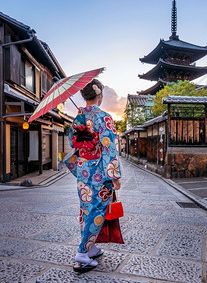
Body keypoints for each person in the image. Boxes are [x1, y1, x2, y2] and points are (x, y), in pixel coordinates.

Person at [65, 79, 121, 273]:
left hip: (83, 170)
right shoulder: (104, 117)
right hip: (99, 172)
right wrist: (114, 175)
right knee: (97, 211)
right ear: (99, 95)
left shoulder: (77, 117)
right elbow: (109, 146)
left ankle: (91, 247)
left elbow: (73, 140)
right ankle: (82, 253)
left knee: (86, 209)